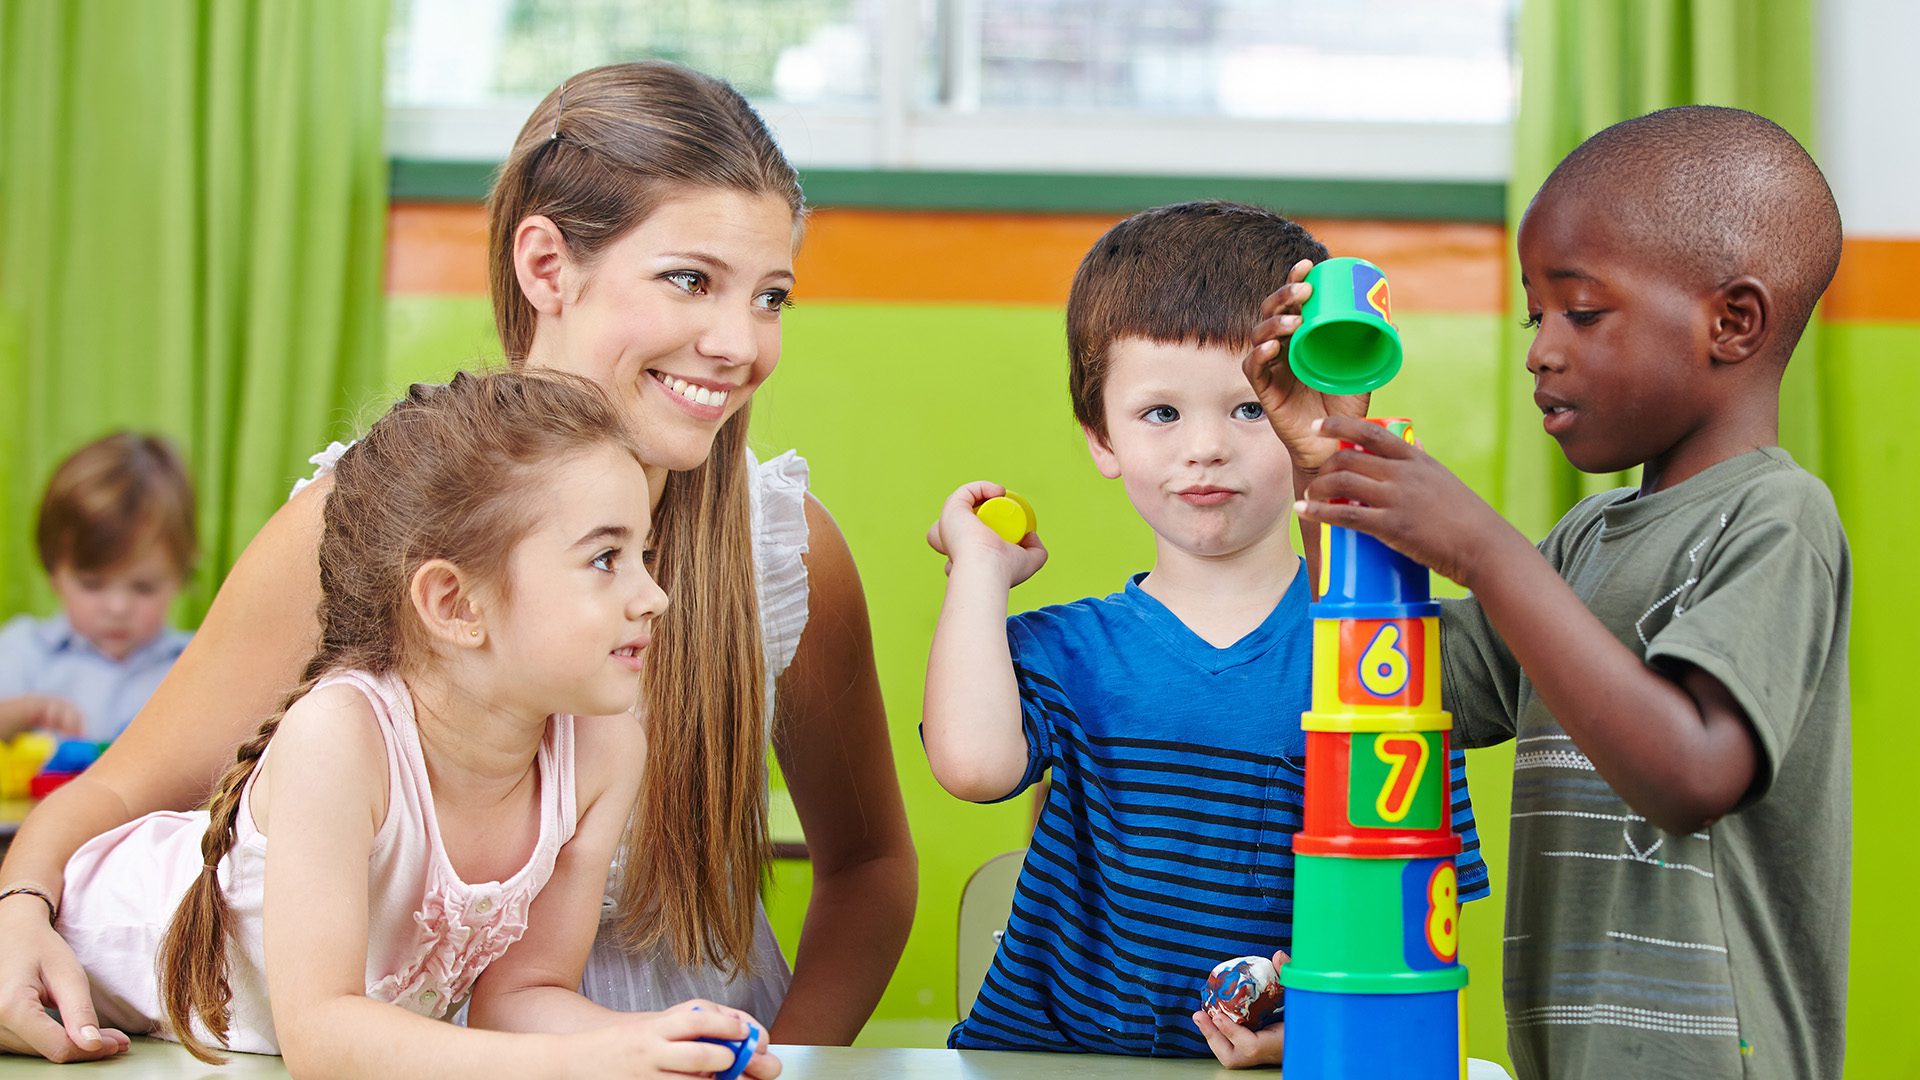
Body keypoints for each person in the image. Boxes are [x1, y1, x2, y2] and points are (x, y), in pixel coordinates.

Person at [0, 61, 915, 1063]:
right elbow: (121, 797)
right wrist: (19, 908)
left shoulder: (783, 550)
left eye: (773, 296)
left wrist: (772, 1058)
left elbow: (869, 867)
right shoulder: (370, 524)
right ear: (546, 265)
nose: (740, 343)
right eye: (690, 280)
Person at [1250, 106, 1850, 1079]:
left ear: (1731, 322)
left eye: (1582, 310)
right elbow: (1405, 678)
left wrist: (1487, 550)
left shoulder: (1779, 519)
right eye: (1537, 316)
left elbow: (1692, 777)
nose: (1540, 349)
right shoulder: (1582, 541)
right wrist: (1328, 469)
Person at [9, 372, 781, 1078]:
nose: (656, 597)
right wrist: (582, 1062)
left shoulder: (605, 753)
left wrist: (650, 1046)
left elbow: (522, 996)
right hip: (70, 954)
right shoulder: (341, 737)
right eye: (607, 559)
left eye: (643, 553)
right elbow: (322, 1034)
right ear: (454, 605)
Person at [922, 202, 1489, 1067]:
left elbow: (1410, 914)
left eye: (1249, 410)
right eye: (1160, 414)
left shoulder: (1377, 662)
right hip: (1056, 1057)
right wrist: (978, 570)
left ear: (1307, 415)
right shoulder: (1068, 650)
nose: (1206, 449)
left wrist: (1315, 1022)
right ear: (1100, 438)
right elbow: (972, 766)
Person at [0, 433, 196, 742]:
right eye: (92, 585)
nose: (117, 607)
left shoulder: (193, 664)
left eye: (143, 588)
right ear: (53, 573)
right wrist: (23, 712)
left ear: (180, 576)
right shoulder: (23, 651)